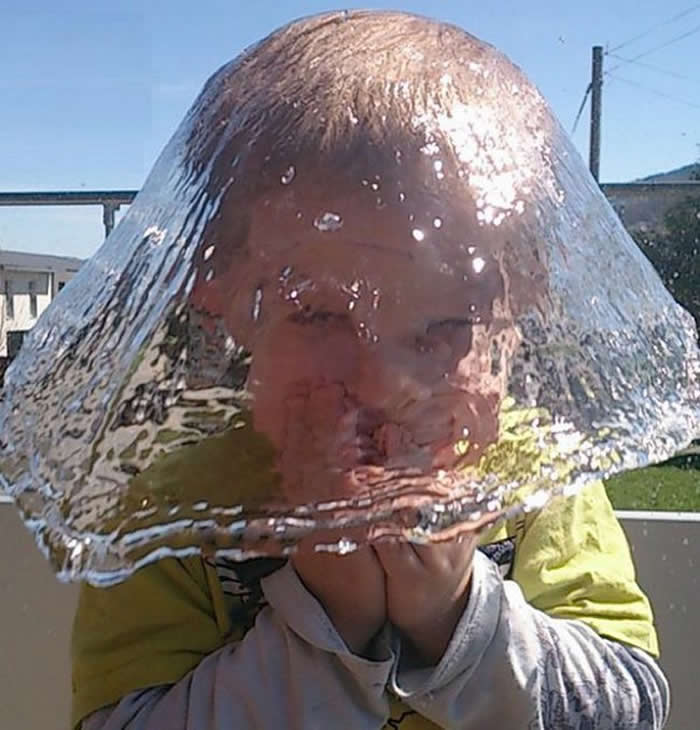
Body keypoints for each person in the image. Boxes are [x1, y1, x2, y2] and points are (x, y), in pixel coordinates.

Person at [71, 10, 670, 729]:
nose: (384, 386)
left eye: (446, 325)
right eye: (321, 316)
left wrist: (458, 622)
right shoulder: (179, 515)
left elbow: (628, 709)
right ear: (222, 296)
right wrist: (330, 623)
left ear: (521, 309)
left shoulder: (535, 481)